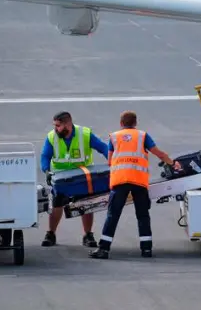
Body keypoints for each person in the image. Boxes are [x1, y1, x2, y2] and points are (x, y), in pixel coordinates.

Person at [89, 110, 180, 259]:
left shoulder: (114, 137)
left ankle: (104, 249)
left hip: (120, 181)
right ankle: (146, 249)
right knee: (143, 215)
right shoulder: (143, 136)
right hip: (139, 181)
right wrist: (173, 163)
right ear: (135, 123)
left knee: (113, 215)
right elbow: (159, 154)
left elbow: (110, 161)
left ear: (121, 123)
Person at [41, 111, 109, 248]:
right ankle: (51, 234)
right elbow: (45, 156)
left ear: (68, 124)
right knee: (57, 204)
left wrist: (113, 162)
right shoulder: (52, 136)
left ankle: (88, 235)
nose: (55, 128)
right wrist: (47, 171)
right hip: (61, 178)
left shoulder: (85, 134)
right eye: (55, 125)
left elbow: (103, 148)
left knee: (87, 204)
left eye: (58, 125)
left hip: (82, 177)